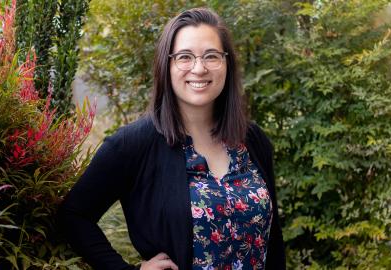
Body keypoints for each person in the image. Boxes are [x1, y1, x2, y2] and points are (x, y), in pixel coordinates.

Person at [59, 7, 285, 270]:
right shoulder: (134, 144)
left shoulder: (252, 140)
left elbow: (274, 241)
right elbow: (73, 216)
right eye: (184, 57)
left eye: (211, 56)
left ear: (227, 63)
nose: (199, 68)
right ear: (166, 65)